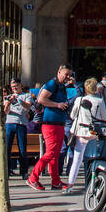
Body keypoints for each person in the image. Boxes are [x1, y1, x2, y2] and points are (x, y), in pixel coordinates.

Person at [28, 63, 73, 192]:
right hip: (50, 125)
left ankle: (56, 181)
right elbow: (41, 99)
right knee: (51, 153)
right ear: (59, 72)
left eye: (70, 75)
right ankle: (33, 177)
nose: (68, 77)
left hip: (58, 124)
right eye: (66, 74)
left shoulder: (61, 86)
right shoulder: (52, 84)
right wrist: (57, 105)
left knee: (55, 154)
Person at [67, 78, 106, 189]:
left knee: (77, 159)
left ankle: (70, 184)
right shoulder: (100, 101)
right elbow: (105, 118)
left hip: (80, 132)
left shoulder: (79, 100)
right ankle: (90, 183)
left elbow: (72, 115)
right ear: (96, 89)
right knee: (92, 159)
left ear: (85, 89)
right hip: (93, 133)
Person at [0, 79, 33, 181]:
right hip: (9, 123)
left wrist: (18, 99)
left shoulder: (26, 95)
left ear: (20, 85)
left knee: (22, 148)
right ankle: (7, 171)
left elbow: (28, 106)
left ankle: (24, 172)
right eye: (13, 87)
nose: (14, 88)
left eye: (16, 86)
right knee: (7, 148)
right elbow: (6, 111)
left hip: (21, 123)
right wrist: (8, 103)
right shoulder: (8, 97)